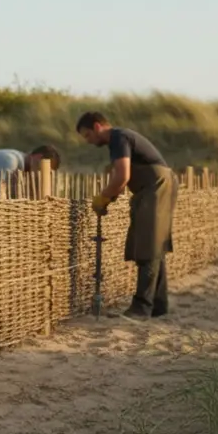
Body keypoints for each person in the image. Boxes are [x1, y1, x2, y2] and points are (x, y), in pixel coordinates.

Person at [75, 112, 178, 319]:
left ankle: (141, 308)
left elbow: (122, 177)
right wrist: (109, 199)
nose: (88, 141)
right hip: (151, 187)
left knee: (148, 244)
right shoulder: (120, 138)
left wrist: (102, 197)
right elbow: (121, 180)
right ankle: (158, 306)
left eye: (87, 135)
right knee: (152, 243)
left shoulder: (118, 138)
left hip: (155, 186)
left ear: (97, 127)